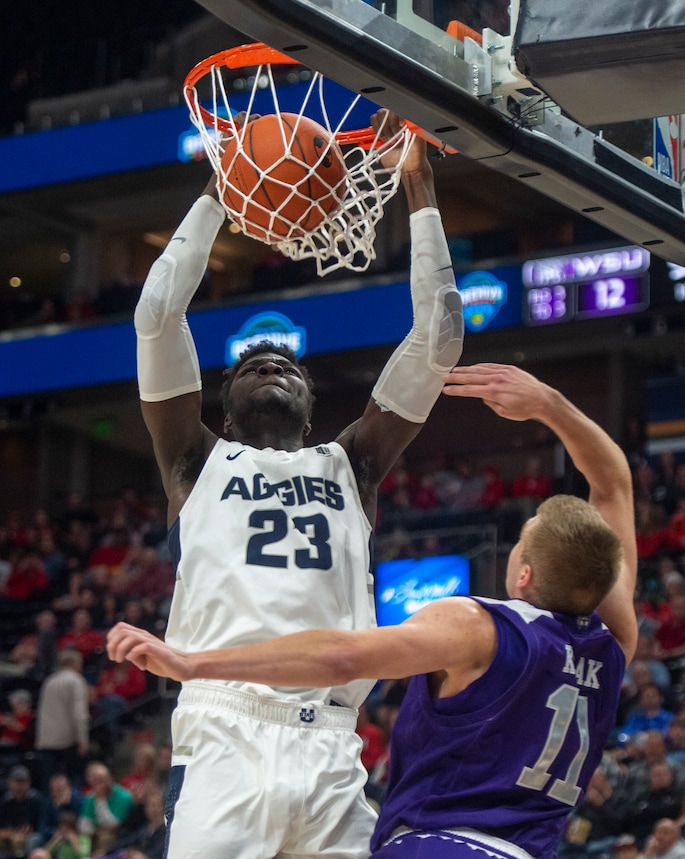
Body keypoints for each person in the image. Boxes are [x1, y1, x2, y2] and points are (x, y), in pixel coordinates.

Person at [108, 363, 638, 859]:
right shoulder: (613, 643)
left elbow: (339, 657)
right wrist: (551, 406)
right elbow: (612, 486)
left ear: (523, 574)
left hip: (438, 846)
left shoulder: (477, 629)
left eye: (524, 540)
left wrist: (196, 664)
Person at [127, 108, 463, 859]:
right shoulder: (195, 460)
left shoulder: (354, 463)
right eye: (252, 366)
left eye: (288, 368)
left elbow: (439, 336)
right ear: (225, 407)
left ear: (312, 409)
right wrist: (222, 190)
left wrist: (421, 189)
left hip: (332, 742)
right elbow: (157, 315)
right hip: (222, 728)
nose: (270, 367)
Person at [34, 650, 90, 790]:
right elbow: (80, 713)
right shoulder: (76, 680)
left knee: (48, 785)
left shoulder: (49, 681)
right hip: (67, 741)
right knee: (71, 783)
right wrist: (83, 739)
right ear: (76, 664)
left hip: (46, 740)